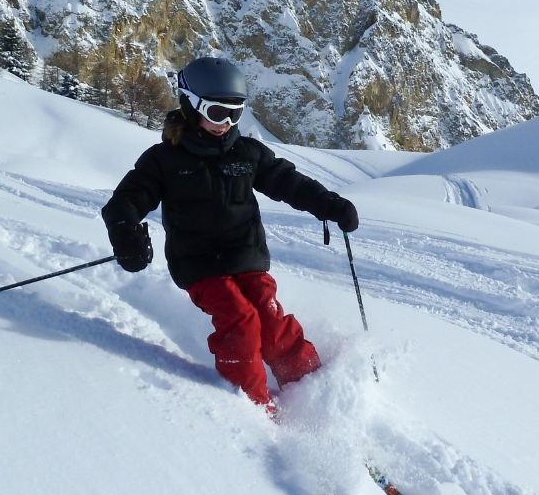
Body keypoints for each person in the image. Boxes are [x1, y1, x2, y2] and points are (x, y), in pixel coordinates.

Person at [101, 56, 359, 410]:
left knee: (269, 319)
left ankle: (312, 395)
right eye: (217, 112)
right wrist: (125, 233)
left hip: (246, 256)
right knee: (240, 321)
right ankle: (252, 407)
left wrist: (329, 204)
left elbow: (287, 181)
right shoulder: (164, 160)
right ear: (190, 104)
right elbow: (124, 202)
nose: (225, 123)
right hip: (199, 265)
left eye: (235, 114)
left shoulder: (246, 153)